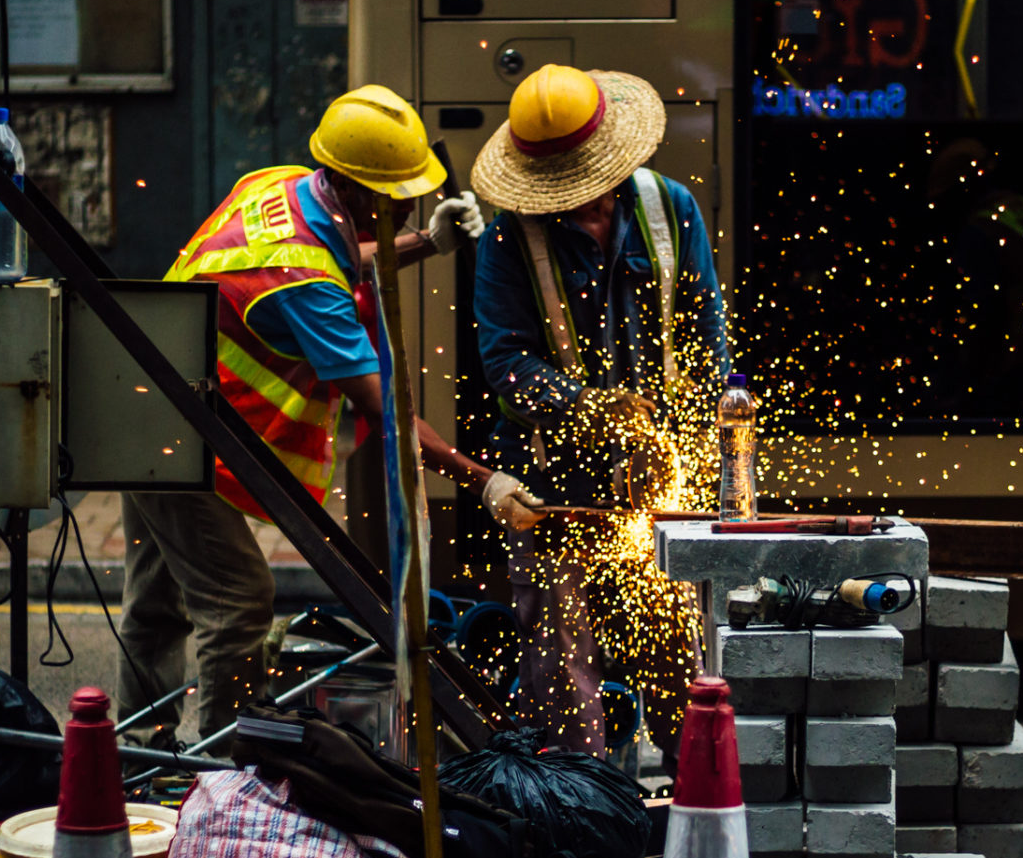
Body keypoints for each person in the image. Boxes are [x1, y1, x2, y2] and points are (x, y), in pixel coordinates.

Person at [117, 84, 494, 752]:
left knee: (157, 600)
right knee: (237, 604)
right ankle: (229, 768)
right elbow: (387, 412)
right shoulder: (303, 283)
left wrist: (423, 244)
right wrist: (479, 478)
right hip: (181, 430)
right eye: (399, 197)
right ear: (353, 192)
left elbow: (341, 254)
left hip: (146, 403)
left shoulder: (285, 185)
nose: (411, 203)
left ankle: (140, 747)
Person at [467, 64, 730, 757]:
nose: (577, 206)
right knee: (562, 672)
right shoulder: (504, 244)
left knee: (682, 659)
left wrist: (697, 454)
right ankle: (584, 817)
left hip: (661, 482)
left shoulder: (670, 210)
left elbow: (706, 339)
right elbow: (507, 367)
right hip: (550, 487)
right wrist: (590, 409)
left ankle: (694, 808)